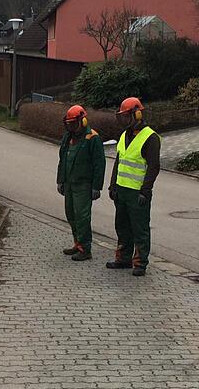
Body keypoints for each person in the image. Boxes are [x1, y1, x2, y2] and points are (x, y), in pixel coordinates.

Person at [106, 97, 161, 276]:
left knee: (140, 229)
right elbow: (119, 161)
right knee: (122, 227)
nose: (123, 120)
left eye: (126, 116)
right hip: (122, 190)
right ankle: (123, 258)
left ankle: (140, 263)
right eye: (122, 116)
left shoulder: (150, 138)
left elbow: (153, 167)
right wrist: (112, 185)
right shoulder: (124, 135)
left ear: (137, 114)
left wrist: (146, 190)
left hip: (137, 193)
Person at [56, 104, 106, 262]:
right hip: (69, 183)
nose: (71, 127)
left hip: (84, 185)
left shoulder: (92, 138)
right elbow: (62, 160)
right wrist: (60, 180)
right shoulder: (68, 137)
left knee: (82, 217)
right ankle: (77, 243)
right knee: (70, 214)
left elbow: (99, 164)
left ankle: (85, 248)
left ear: (82, 121)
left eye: (73, 123)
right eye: (69, 124)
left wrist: (96, 187)